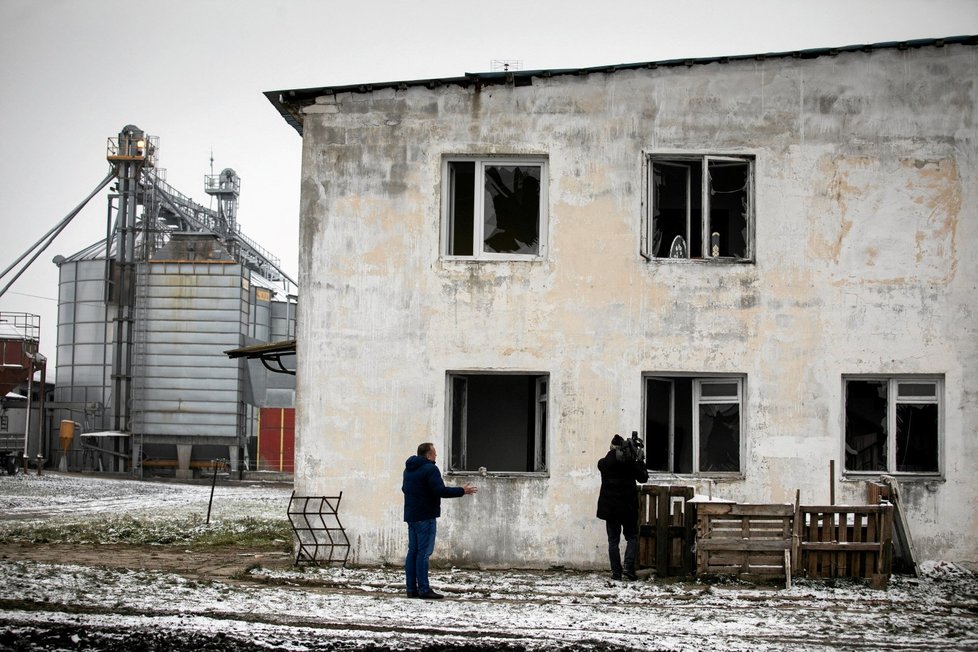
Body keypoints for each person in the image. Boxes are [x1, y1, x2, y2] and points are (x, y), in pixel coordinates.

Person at [402, 442, 477, 599]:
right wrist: (462, 490)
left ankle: (411, 589)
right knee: (423, 553)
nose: (436, 456)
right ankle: (423, 589)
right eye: (434, 453)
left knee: (413, 552)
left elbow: (405, 489)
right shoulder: (430, 469)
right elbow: (440, 491)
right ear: (428, 455)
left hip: (411, 515)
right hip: (425, 516)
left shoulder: (408, 470)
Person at [596, 434, 649, 581]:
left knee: (613, 541)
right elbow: (643, 478)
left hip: (610, 509)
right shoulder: (631, 463)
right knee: (631, 537)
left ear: (612, 447)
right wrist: (639, 460)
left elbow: (605, 461)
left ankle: (616, 573)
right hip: (628, 508)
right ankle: (628, 567)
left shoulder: (603, 464)